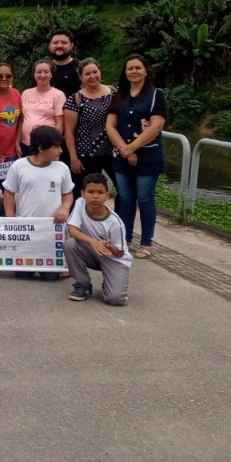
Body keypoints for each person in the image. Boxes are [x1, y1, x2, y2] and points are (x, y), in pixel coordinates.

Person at [105, 53, 168, 257]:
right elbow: (110, 126)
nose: (134, 71)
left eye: (138, 68)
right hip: (121, 156)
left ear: (145, 70)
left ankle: (146, 243)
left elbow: (156, 125)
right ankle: (125, 238)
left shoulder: (155, 95)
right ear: (125, 72)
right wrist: (124, 148)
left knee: (145, 198)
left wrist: (132, 148)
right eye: (130, 68)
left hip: (148, 157)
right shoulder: (119, 96)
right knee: (125, 198)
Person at [64, 171, 133, 305]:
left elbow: (120, 252)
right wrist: (93, 242)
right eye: (90, 192)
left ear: (107, 196)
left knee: (115, 299)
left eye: (100, 193)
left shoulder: (115, 222)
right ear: (83, 193)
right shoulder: (80, 204)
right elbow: (72, 231)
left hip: (114, 258)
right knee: (70, 244)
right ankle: (82, 285)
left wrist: (107, 246)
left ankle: (110, 284)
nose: (95, 196)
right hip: (92, 251)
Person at [63, 58, 116, 192]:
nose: (92, 76)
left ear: (100, 72)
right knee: (88, 191)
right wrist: (73, 158)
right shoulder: (75, 99)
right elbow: (69, 132)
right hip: (87, 154)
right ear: (81, 77)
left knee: (124, 190)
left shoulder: (115, 92)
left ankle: (117, 213)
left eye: (95, 72)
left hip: (114, 151)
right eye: (87, 74)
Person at [2, 126, 73, 222]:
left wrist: (65, 208)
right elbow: (9, 193)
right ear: (41, 148)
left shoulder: (62, 167)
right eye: (56, 146)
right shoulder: (18, 165)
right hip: (25, 224)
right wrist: (10, 220)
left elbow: (67, 193)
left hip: (53, 225)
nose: (61, 150)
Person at [19, 59, 66, 156]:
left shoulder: (58, 95)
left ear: (51, 74)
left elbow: (60, 123)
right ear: (34, 74)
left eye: (46, 72)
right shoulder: (26, 93)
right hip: (26, 143)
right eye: (39, 72)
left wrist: (53, 144)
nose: (42, 75)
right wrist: (17, 141)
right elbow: (21, 120)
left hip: (47, 146)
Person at [31, 30, 81, 97]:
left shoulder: (81, 68)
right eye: (55, 43)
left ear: (71, 45)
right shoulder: (42, 69)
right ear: (49, 45)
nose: (59, 45)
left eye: (64, 43)